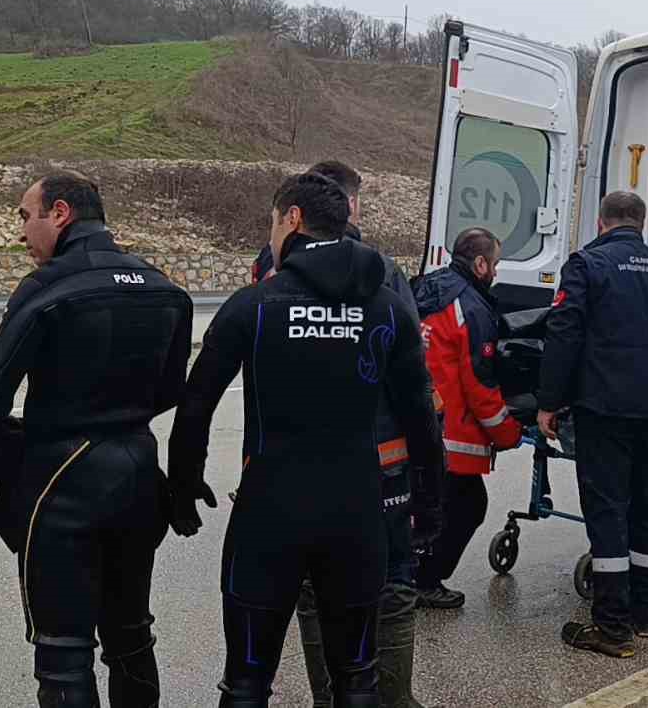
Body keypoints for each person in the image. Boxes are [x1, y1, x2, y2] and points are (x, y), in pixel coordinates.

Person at [168, 172, 442, 707]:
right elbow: (420, 416)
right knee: (356, 681)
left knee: (246, 684)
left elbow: (196, 403)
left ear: (292, 219)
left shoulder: (253, 305)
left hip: (270, 516)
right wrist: (430, 503)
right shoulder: (387, 308)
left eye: (273, 222)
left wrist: (182, 487)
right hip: (357, 518)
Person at [0, 170, 193, 707]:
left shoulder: (50, 285)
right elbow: (171, 387)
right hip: (138, 469)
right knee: (131, 635)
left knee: (63, 652)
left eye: (25, 215)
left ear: (60, 213)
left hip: (64, 481)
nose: (21, 232)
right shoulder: (161, 285)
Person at [260, 162, 436, 708]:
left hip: (301, 465)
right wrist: (432, 483)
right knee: (393, 581)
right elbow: (413, 380)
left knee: (318, 590)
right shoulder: (384, 273)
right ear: (351, 208)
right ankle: (393, 699)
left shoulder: (270, 273)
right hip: (383, 460)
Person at [536, 192, 648, 658]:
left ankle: (611, 626)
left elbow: (563, 332)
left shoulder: (587, 265)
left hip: (605, 407)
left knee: (607, 508)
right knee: (647, 505)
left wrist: (549, 401)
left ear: (603, 223)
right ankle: (647, 612)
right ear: (642, 224)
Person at [411, 227, 523, 610]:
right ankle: (424, 580)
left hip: (413, 419)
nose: (496, 272)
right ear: (479, 263)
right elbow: (479, 383)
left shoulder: (425, 288)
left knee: (418, 503)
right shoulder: (471, 307)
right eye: (495, 263)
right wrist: (508, 432)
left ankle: (406, 575)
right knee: (467, 504)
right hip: (448, 431)